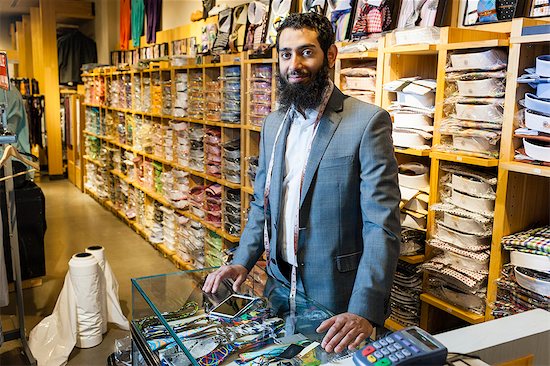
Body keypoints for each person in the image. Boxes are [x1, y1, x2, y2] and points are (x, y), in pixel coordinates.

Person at [203, 12, 400, 353]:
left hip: (337, 300)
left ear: (331, 55)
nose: (294, 64)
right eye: (285, 54)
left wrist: (363, 310)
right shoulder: (273, 125)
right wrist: (242, 260)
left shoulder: (367, 122)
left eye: (306, 52)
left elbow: (381, 226)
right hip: (278, 289)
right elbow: (261, 205)